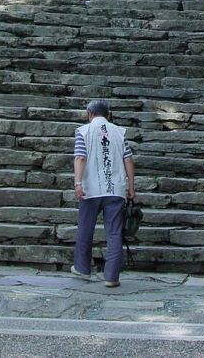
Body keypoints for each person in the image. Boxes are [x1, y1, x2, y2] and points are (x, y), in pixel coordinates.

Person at [71, 100, 136, 287]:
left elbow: (80, 158)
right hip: (115, 189)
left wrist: (78, 183)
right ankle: (112, 277)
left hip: (90, 190)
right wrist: (131, 187)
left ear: (89, 114)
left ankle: (82, 269)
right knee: (114, 232)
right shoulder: (119, 132)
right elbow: (128, 160)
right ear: (108, 114)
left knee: (85, 228)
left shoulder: (83, 131)